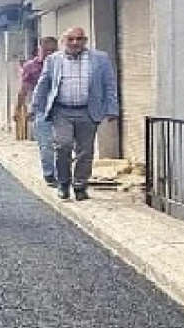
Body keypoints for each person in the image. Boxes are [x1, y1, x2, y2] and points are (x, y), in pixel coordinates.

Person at [30, 27, 120, 201]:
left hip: (88, 111)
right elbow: (44, 84)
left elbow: (109, 85)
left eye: (79, 39)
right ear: (64, 41)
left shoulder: (100, 59)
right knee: (63, 145)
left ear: (85, 41)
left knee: (85, 152)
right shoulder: (53, 60)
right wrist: (35, 107)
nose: (75, 43)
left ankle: (80, 185)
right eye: (70, 39)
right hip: (61, 111)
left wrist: (112, 108)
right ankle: (63, 183)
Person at [21, 36, 60, 187]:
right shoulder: (30, 66)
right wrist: (21, 108)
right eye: (46, 50)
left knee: (64, 144)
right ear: (39, 48)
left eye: (53, 50)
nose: (50, 53)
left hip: (61, 110)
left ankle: (62, 173)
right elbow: (24, 89)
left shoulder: (62, 64)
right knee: (46, 144)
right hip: (41, 109)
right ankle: (50, 173)